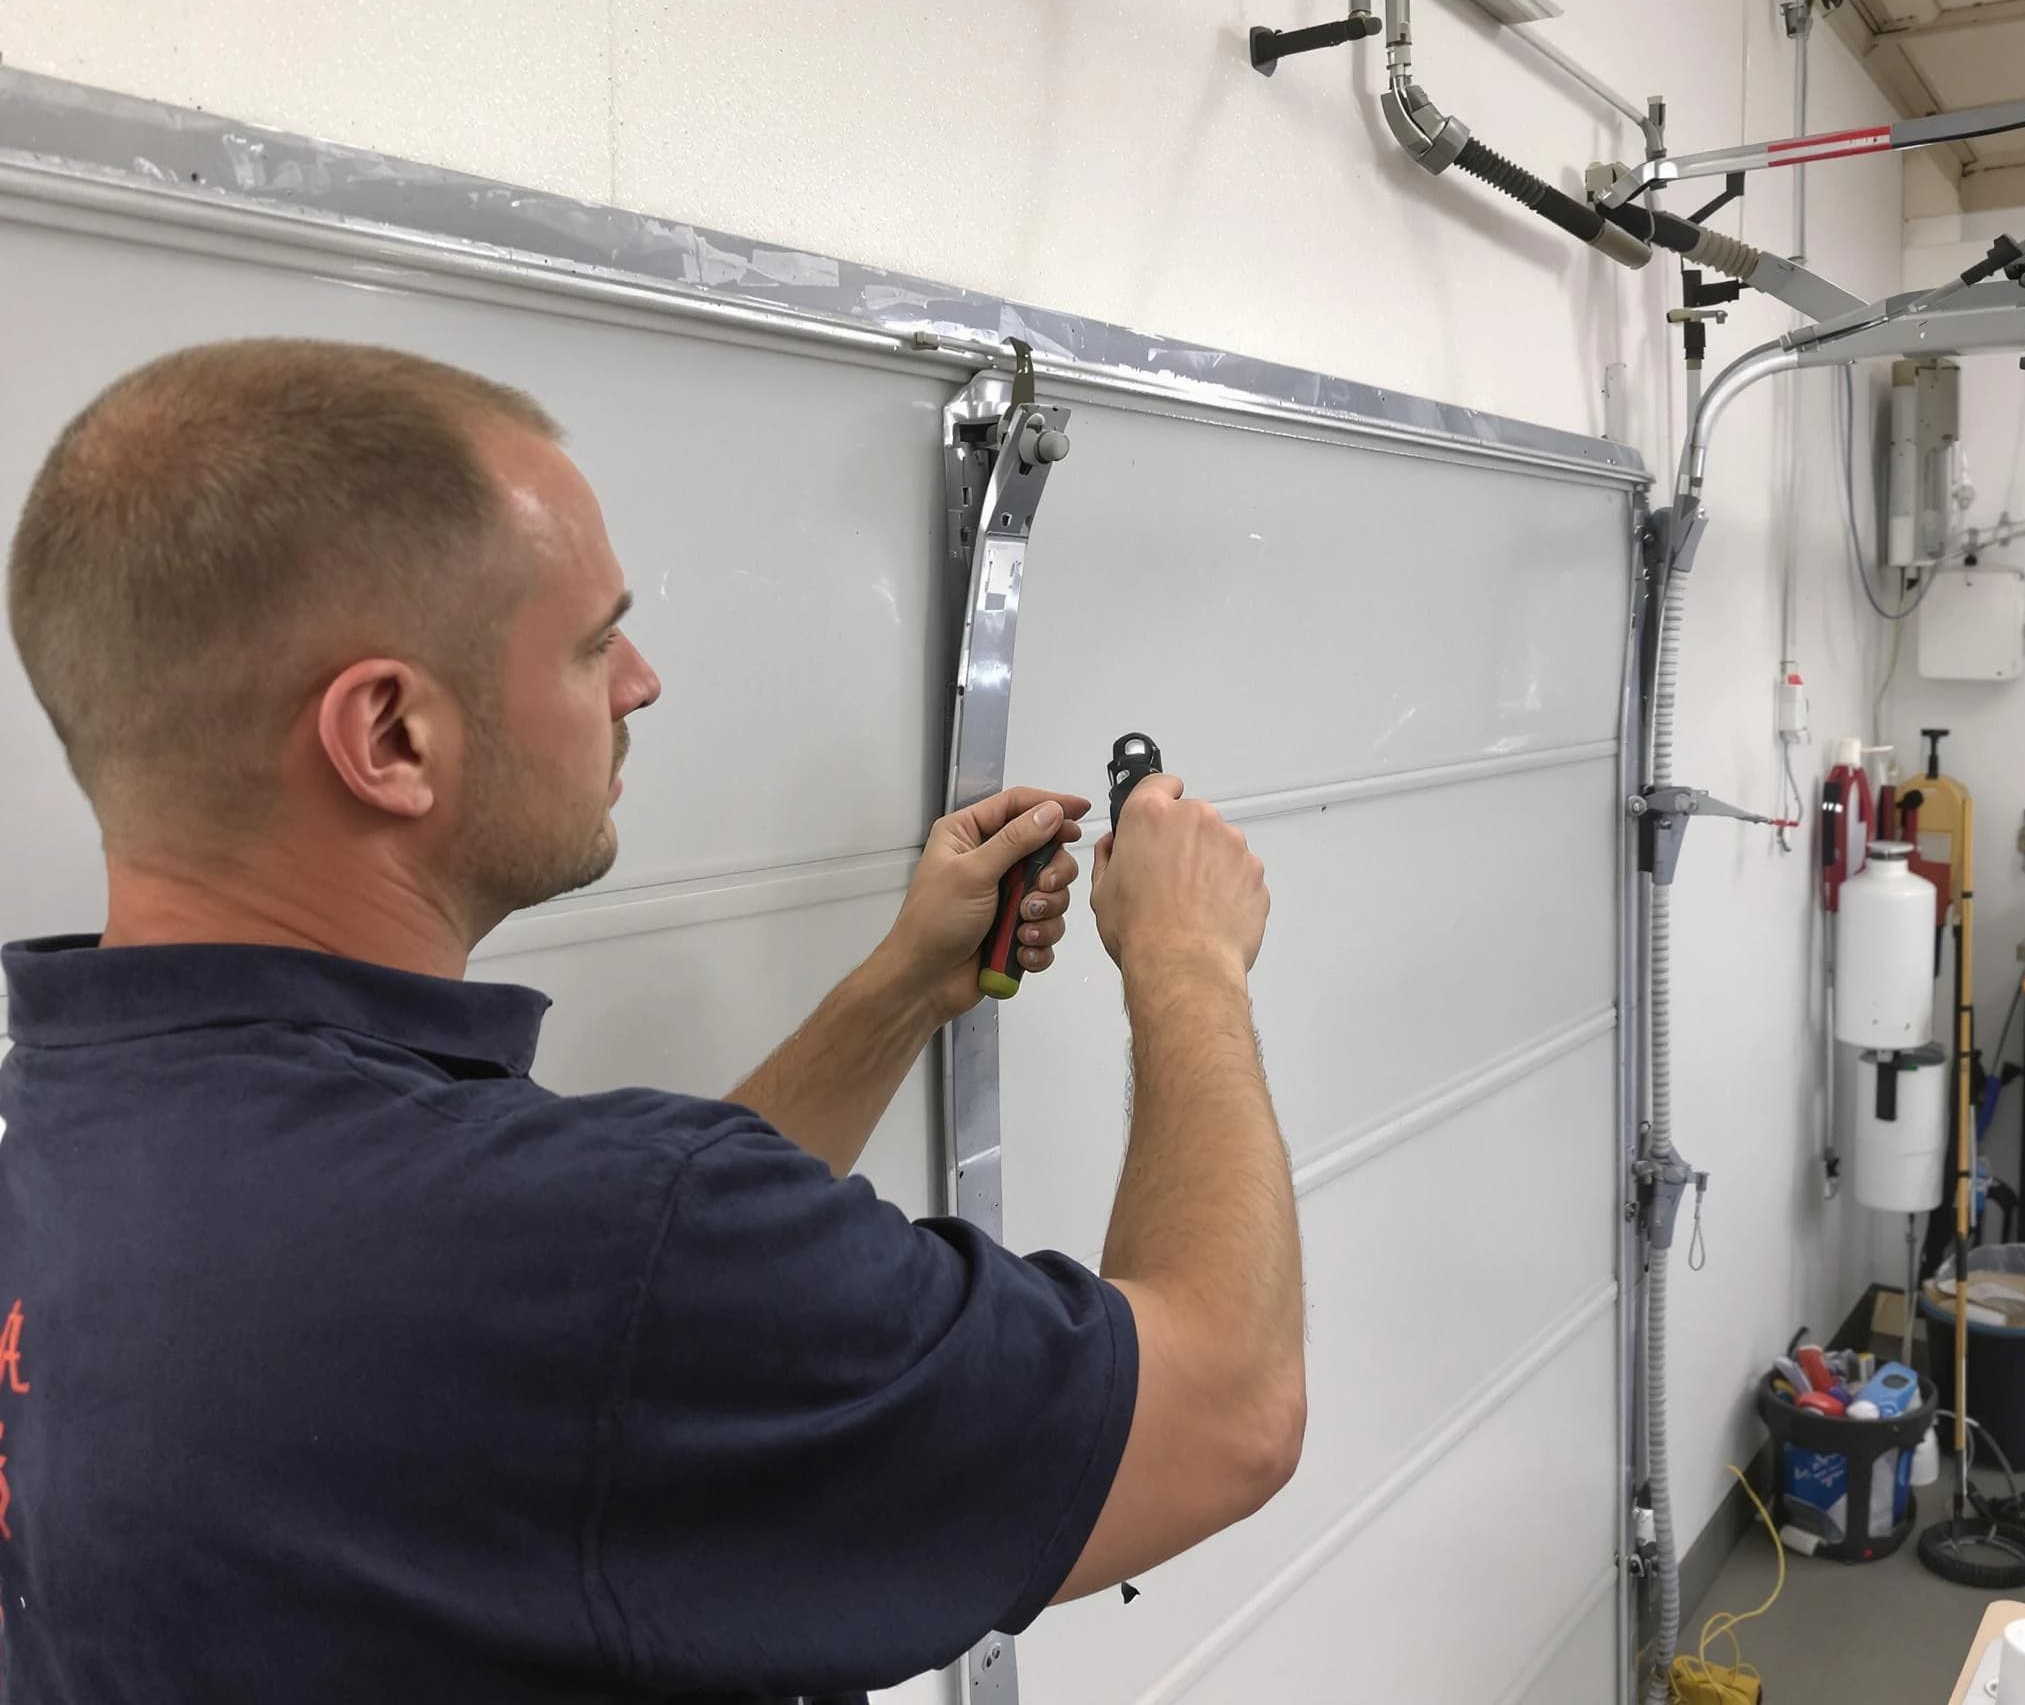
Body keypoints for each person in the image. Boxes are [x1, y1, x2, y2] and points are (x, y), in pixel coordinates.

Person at [0, 340, 1304, 1703]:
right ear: (390, 737)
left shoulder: (74, 1142)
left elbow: (600, 1335)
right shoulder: (572, 1244)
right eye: (590, 642)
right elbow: (1227, 1408)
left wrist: (911, 984)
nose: (640, 680)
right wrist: (1188, 957)